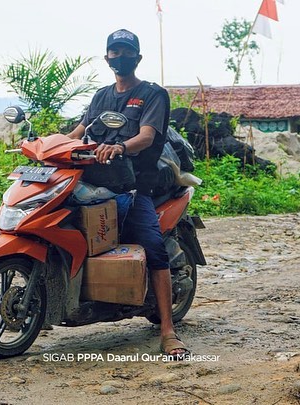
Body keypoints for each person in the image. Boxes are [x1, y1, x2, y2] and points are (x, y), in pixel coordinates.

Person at [66, 28, 189, 358]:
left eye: (126, 52)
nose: (119, 57)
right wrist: (42, 145)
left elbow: (147, 136)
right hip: (94, 187)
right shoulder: (100, 96)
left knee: (153, 248)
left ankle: (167, 331)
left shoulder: (152, 95)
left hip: (135, 188)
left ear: (137, 57)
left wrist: (120, 147)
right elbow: (77, 133)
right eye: (114, 52)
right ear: (106, 58)